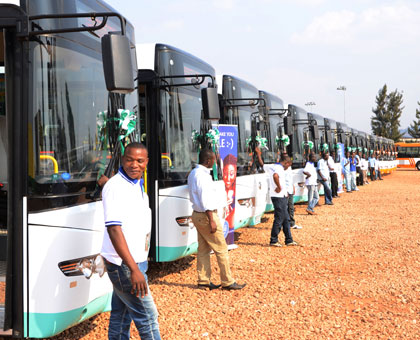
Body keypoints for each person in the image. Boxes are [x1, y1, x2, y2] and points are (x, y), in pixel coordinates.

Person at [101, 142, 161, 340]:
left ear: (146, 162)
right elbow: (114, 229)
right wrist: (134, 269)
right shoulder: (115, 187)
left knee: (122, 314)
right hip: (125, 265)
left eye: (139, 161)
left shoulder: (136, 184)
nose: (134, 164)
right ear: (122, 159)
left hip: (134, 262)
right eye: (129, 159)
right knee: (148, 317)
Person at [188, 149, 246, 290]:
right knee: (221, 249)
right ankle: (228, 281)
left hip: (197, 214)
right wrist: (212, 220)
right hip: (207, 216)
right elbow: (205, 199)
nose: (214, 163)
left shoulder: (193, 173)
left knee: (203, 249)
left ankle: (203, 281)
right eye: (214, 160)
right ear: (208, 161)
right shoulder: (202, 176)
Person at [269, 155, 299, 246]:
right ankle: (273, 240)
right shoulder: (279, 168)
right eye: (288, 165)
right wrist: (279, 187)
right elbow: (275, 176)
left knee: (286, 219)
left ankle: (289, 239)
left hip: (281, 195)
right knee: (279, 218)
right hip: (278, 196)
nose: (288, 167)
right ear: (286, 163)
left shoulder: (273, 166)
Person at [282, 154, 302, 230]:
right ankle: (284, 224)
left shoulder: (289, 168)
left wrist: (293, 186)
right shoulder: (281, 169)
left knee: (291, 207)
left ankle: (292, 223)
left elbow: (291, 179)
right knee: (285, 208)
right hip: (285, 191)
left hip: (290, 189)